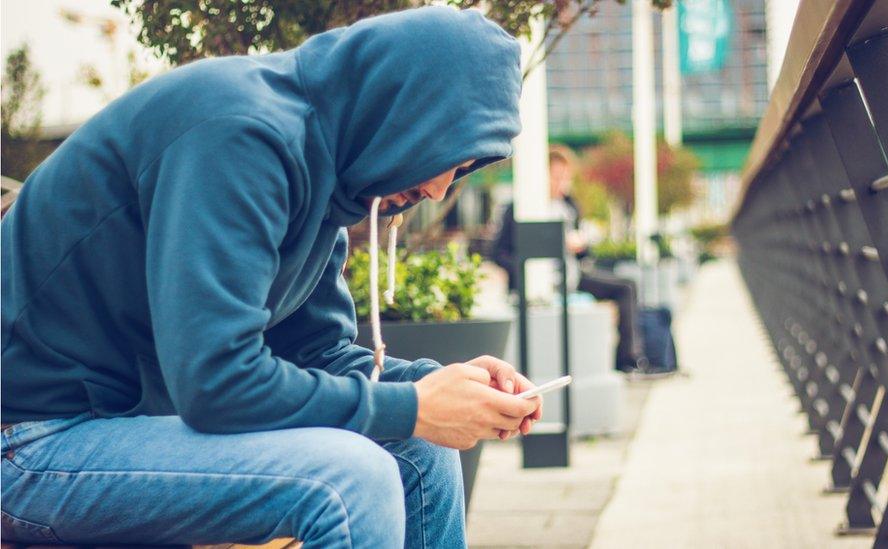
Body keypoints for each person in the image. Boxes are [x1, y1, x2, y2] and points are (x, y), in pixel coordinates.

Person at [0, 7, 542, 549]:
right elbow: (216, 384)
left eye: (464, 168)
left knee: (421, 449)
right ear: (404, 109)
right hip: (32, 443)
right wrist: (417, 407)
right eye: (447, 153)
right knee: (351, 478)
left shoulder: (327, 173)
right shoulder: (239, 135)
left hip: (130, 428)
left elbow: (317, 353)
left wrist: (438, 387)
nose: (440, 189)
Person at [492, 145, 650, 373]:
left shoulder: (569, 205)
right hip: (535, 282)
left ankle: (629, 360)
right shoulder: (519, 207)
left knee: (627, 286)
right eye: (556, 177)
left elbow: (585, 255)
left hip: (572, 274)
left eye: (565, 178)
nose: (562, 183)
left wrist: (580, 246)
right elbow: (498, 254)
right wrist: (531, 268)